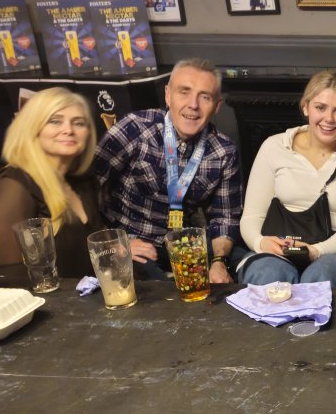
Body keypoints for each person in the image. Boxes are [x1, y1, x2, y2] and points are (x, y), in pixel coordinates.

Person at [94, 58, 242, 283]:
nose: (193, 105)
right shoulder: (135, 128)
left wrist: (219, 262)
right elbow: (86, 190)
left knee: (246, 262)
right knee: (162, 289)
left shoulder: (224, 152)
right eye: (184, 92)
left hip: (185, 243)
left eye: (204, 97)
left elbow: (226, 218)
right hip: (130, 243)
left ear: (217, 106)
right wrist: (113, 244)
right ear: (168, 95)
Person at [238, 71, 336, 288]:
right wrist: (260, 243)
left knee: (320, 279)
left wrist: (317, 250)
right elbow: (252, 216)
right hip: (278, 246)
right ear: (306, 107)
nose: (329, 119)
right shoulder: (274, 146)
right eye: (320, 107)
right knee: (268, 275)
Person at [0, 88, 104, 277]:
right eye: (55, 121)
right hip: (44, 297)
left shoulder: (80, 184)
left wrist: (115, 247)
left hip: (90, 293)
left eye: (79, 123)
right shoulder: (11, 187)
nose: (69, 130)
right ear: (32, 128)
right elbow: (9, 278)